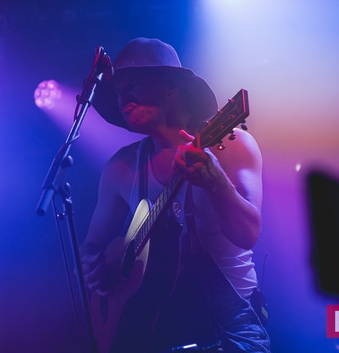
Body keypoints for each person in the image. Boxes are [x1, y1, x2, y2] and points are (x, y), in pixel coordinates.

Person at [80, 38, 270, 352]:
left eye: (134, 85)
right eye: (117, 90)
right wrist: (95, 270)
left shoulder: (231, 144)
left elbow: (249, 234)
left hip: (229, 323)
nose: (123, 97)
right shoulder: (121, 168)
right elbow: (91, 247)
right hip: (152, 325)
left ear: (171, 85)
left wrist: (216, 184)